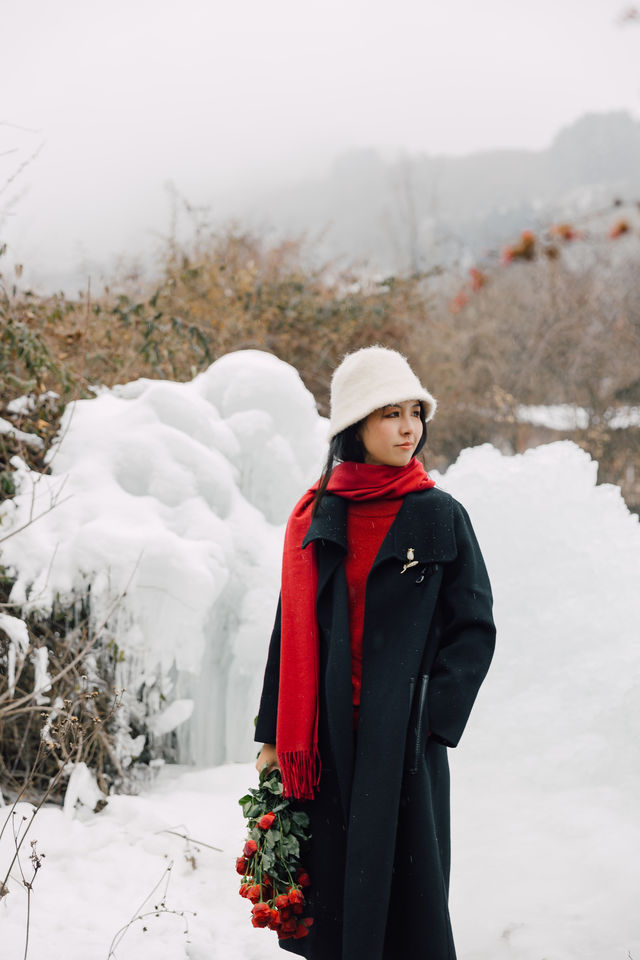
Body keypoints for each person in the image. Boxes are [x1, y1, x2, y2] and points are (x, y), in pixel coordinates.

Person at [254, 345, 496, 960]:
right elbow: (291, 630)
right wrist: (271, 736)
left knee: (408, 904)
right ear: (355, 426)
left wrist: (428, 720)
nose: (408, 427)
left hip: (405, 746)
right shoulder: (319, 515)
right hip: (330, 739)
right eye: (389, 413)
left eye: (414, 411)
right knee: (334, 904)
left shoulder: (439, 515)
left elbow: (474, 626)